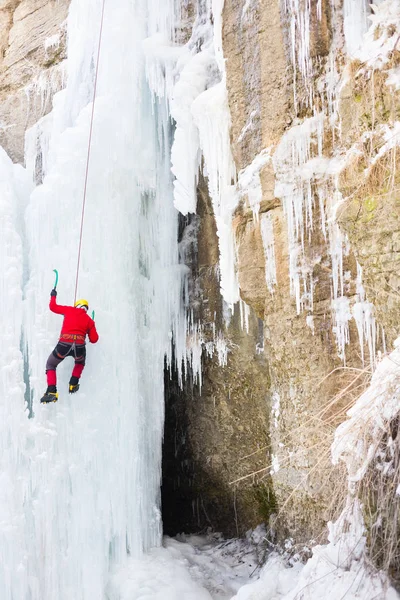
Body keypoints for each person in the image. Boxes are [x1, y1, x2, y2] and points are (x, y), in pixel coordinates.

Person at [41, 289, 99, 403]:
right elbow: (94, 339)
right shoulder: (89, 320)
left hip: (64, 345)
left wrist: (53, 295)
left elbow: (53, 307)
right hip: (79, 348)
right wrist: (89, 328)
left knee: (51, 364)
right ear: (86, 309)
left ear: (77, 306)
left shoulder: (69, 310)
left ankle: (52, 391)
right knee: (80, 362)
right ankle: (73, 384)